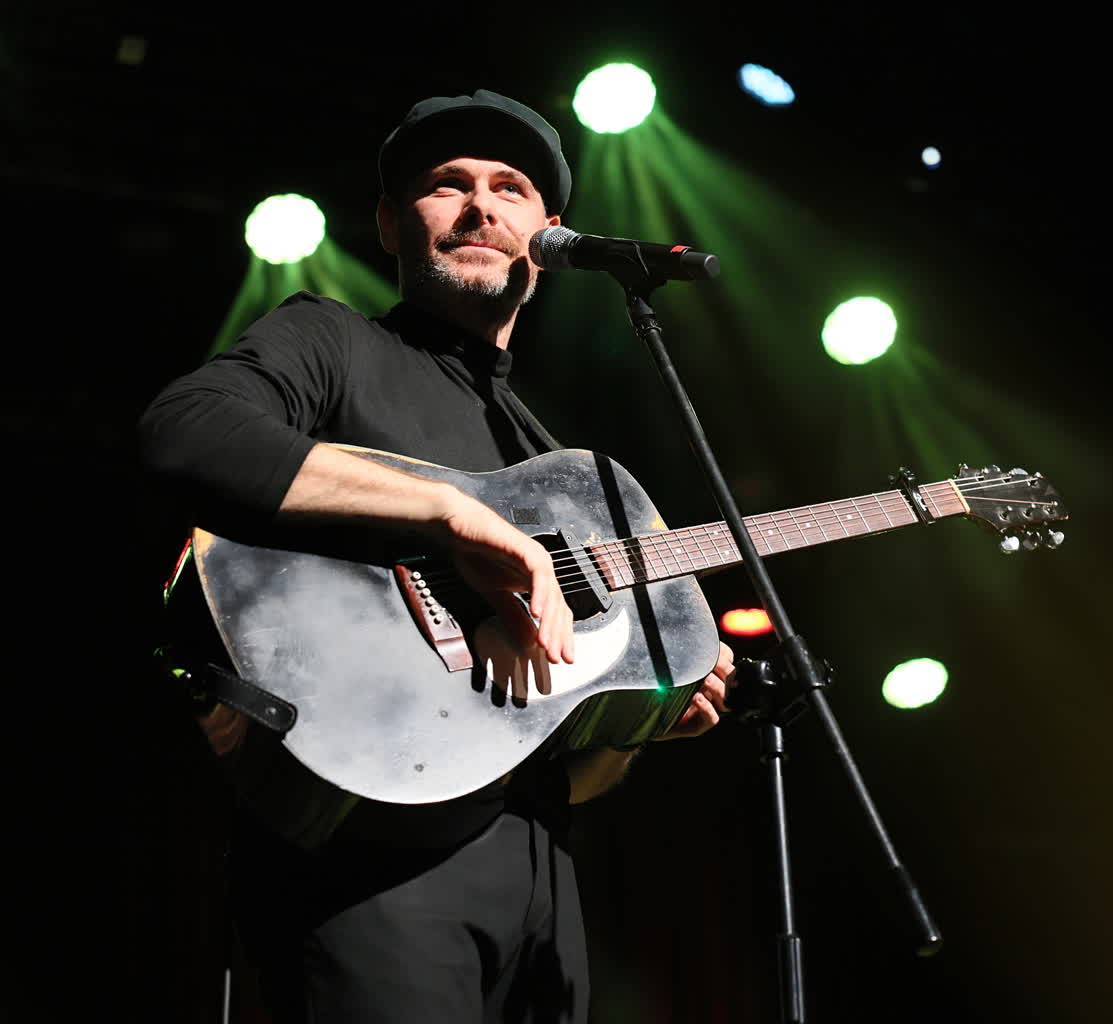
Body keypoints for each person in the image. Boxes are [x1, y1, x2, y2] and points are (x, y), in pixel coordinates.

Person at [138, 89, 734, 1023]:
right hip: (361, 866)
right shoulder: (332, 340)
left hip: (539, 884)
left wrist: (636, 727)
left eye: (510, 188)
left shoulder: (551, 462)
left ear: (547, 235)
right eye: (447, 184)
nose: (481, 206)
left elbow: (551, 755)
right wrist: (449, 514)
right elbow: (185, 430)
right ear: (389, 223)